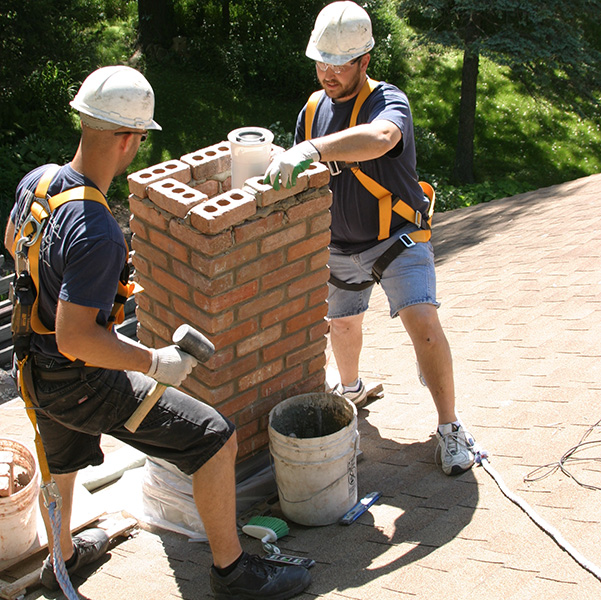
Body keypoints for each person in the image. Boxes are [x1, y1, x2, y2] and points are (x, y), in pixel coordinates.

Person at [4, 65, 311, 599]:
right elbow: (79, 339)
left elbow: (17, 243)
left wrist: (82, 284)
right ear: (128, 138)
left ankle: (64, 558)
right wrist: (154, 362)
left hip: (33, 369)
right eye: (141, 136)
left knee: (64, 458)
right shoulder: (97, 229)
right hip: (80, 379)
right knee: (214, 439)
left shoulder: (40, 180)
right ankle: (232, 572)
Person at [263, 1, 476, 476]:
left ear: (365, 61)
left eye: (340, 63)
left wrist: (312, 148)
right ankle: (352, 388)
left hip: (397, 238)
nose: (328, 72)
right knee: (341, 326)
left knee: (422, 322)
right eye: (321, 61)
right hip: (338, 247)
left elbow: (380, 139)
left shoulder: (388, 101)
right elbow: (307, 177)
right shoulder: (313, 110)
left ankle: (450, 427)